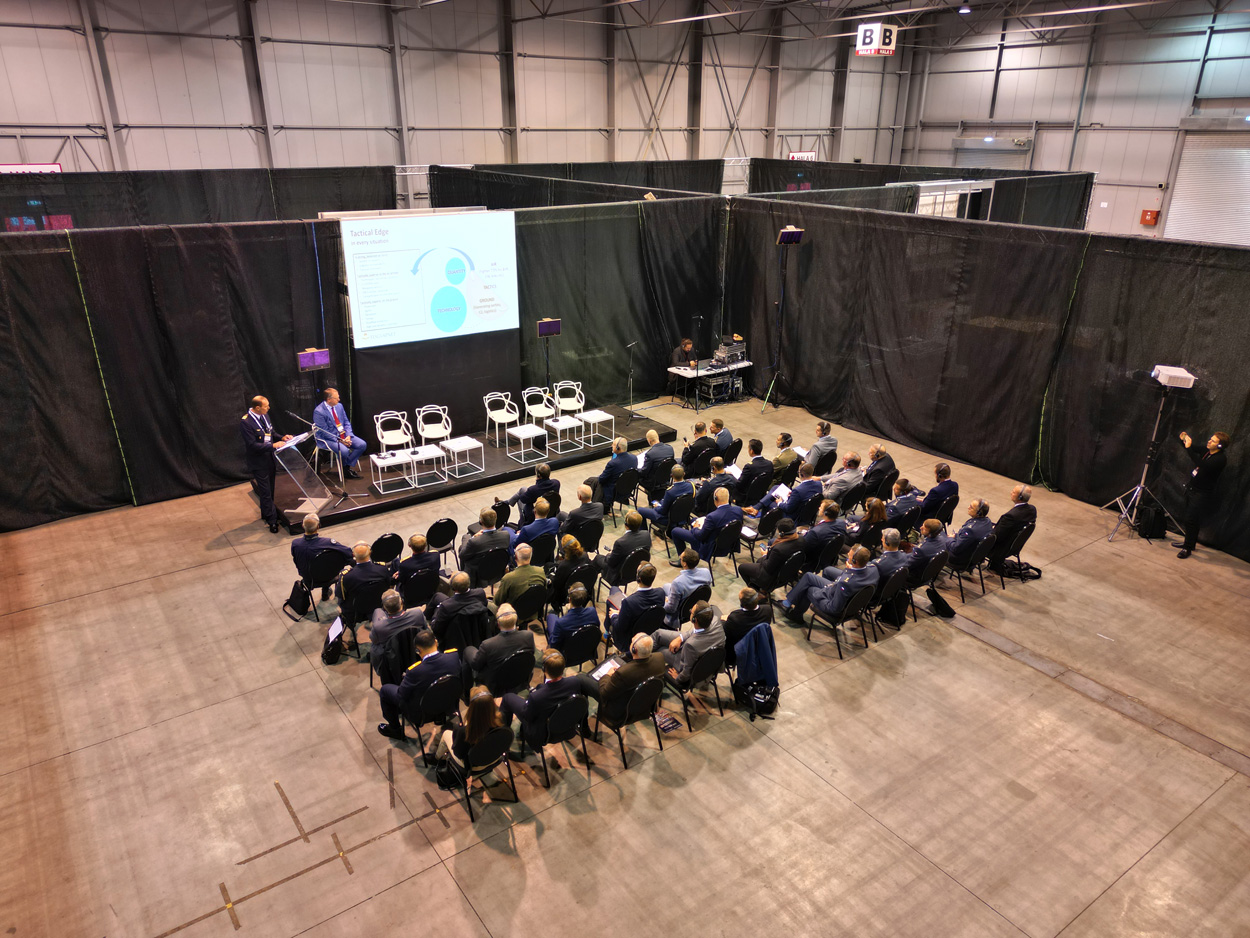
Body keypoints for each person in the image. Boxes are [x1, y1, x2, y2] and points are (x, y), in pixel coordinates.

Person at [500, 650, 599, 751]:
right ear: (563, 667)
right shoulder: (575, 682)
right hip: (568, 727)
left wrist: (528, 702)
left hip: (545, 735)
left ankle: (502, 741)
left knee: (508, 698)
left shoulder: (537, 696)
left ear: (544, 669)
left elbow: (528, 717)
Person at [377, 629, 460, 740]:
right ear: (436, 642)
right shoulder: (453, 657)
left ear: (418, 650)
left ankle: (395, 729)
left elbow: (401, 696)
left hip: (423, 714)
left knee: (385, 690)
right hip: (450, 704)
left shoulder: (414, 672)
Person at [239, 394, 292, 533]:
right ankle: (272, 520)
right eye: (266, 406)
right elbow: (252, 445)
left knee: (270, 489)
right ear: (257, 408)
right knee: (265, 491)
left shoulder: (264, 416)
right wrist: (273, 445)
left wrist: (282, 437)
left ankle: (267, 513)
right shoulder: (246, 422)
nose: (268, 408)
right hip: (258, 461)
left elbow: (271, 433)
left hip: (270, 458)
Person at [782, 546, 879, 622]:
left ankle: (796, 616)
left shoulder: (845, 582)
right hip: (835, 590)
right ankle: (789, 601)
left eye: (849, 555)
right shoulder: (873, 569)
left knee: (809, 589)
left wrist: (820, 594)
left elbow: (835, 607)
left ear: (855, 561)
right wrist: (851, 569)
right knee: (809, 576)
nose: (847, 555)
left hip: (833, 605)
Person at [1174, 430, 1229, 559]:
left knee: (1190, 519)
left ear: (1220, 445)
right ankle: (1189, 544)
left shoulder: (1220, 459)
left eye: (1213, 441)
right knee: (1192, 520)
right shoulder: (1207, 451)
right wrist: (1184, 439)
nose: (1209, 441)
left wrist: (1189, 448)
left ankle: (1187, 548)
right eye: (1210, 439)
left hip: (1201, 493)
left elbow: (1202, 465)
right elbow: (1191, 448)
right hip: (1192, 489)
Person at [596, 633, 666, 725]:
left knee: (582, 680)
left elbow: (604, 694)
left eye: (632, 642)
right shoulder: (660, 658)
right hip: (646, 706)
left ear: (634, 649)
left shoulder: (623, 673)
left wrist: (607, 675)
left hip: (622, 714)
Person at [465, 605, 535, 693]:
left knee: (468, 650)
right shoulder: (528, 636)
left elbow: (476, 665)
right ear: (516, 620)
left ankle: (467, 693)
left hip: (495, 685)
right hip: (520, 677)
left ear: (498, 624)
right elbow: (530, 655)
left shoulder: (488, 645)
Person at [653, 601, 725, 686]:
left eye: (691, 612)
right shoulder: (715, 621)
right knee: (658, 634)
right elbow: (697, 630)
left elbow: (687, 671)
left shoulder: (690, 645)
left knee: (658, 650)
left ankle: (644, 664)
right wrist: (681, 638)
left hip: (683, 660)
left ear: (695, 620)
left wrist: (679, 678)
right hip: (697, 649)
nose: (690, 611)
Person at [433, 685, 503, 768]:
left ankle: (437, 759)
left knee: (446, 733)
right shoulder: (501, 722)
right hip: (494, 760)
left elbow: (458, 754)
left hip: (472, 767)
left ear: (472, 708)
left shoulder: (464, 731)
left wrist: (458, 732)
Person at [671, 487, 743, 563]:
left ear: (715, 499)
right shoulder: (738, 510)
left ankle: (684, 560)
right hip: (728, 544)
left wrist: (695, 528)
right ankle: (693, 553)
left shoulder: (713, 516)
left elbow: (700, 536)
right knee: (694, 520)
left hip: (710, 547)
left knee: (675, 531)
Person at [607, 563, 665, 653]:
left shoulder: (629, 602)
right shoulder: (660, 593)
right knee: (614, 589)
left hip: (628, 640)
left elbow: (619, 628)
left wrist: (614, 615)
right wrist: (622, 613)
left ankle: (607, 633)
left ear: (638, 578)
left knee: (610, 601)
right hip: (649, 630)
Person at [291, 513, 352, 599]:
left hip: (308, 579)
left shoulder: (295, 543)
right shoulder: (327, 542)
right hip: (329, 576)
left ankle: (325, 592)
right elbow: (348, 552)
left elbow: (296, 561)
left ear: (303, 526)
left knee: (319, 564)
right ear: (318, 526)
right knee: (346, 560)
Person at [738, 518, 804, 596]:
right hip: (789, 573)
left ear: (782, 533)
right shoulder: (802, 539)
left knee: (742, 568)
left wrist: (765, 554)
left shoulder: (778, 549)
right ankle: (759, 587)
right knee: (759, 561)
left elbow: (768, 568)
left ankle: (757, 592)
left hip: (773, 578)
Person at [312, 387, 367, 480]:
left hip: (343, 434)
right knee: (344, 451)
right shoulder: (319, 411)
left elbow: (346, 422)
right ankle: (346, 469)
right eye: (336, 398)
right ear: (329, 399)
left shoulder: (339, 406)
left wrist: (348, 435)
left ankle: (346, 467)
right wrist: (340, 441)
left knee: (362, 445)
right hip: (328, 438)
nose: (339, 399)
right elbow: (324, 432)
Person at [426, 571, 491, 645]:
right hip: (477, 630)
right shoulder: (480, 593)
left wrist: (438, 610)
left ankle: (424, 617)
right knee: (438, 596)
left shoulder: (446, 607)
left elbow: (436, 629)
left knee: (437, 604)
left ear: (452, 586)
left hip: (455, 638)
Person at [746, 462, 822, 520]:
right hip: (805, 512)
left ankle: (763, 526)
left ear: (801, 475)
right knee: (776, 488)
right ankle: (756, 507)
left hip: (793, 515)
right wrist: (791, 496)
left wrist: (779, 502)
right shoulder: (819, 484)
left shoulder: (798, 490)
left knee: (769, 503)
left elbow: (788, 509)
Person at [336, 542, 391, 621]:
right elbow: (388, 586)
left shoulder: (346, 576)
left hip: (357, 612)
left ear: (353, 555)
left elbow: (340, 595)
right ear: (370, 552)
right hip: (380, 605)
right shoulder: (382, 569)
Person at [987, 484, 1036, 572]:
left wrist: (990, 529)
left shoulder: (1011, 516)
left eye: (1013, 492)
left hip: (999, 550)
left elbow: (997, 536)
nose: (1011, 493)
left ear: (1020, 497)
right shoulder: (1032, 510)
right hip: (1013, 547)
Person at [458, 507, 510, 588]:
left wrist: (472, 538)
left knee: (463, 544)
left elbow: (462, 556)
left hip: (477, 576)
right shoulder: (505, 535)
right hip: (497, 570)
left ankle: (463, 578)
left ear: (480, 522)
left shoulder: (475, 542)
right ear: (495, 520)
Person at [598, 510, 652, 586]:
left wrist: (609, 555)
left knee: (598, 558)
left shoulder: (620, 543)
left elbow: (611, 563)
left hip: (619, 576)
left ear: (626, 525)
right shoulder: (646, 535)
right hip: (638, 571)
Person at [662, 549, 712, 628]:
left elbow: (671, 609)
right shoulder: (706, 572)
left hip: (681, 612)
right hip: (696, 604)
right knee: (665, 586)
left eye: (681, 558)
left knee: (661, 596)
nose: (679, 559)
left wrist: (662, 602)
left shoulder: (678, 582)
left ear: (684, 564)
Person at [638, 464, 694, 531]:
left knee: (640, 510)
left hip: (668, 519)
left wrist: (657, 507)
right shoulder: (691, 486)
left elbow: (662, 511)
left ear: (671, 476)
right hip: (683, 516)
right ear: (684, 474)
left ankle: (644, 533)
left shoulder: (670, 492)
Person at [724, 588, 771, 666]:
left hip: (738, 654)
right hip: (758, 648)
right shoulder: (767, 610)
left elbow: (726, 636)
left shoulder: (735, 618)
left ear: (742, 604)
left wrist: (727, 621)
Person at [495, 543, 547, 611]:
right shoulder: (541, 571)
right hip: (534, 611)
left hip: (514, 614)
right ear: (531, 556)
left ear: (515, 557)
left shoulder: (508, 578)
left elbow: (497, 601)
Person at [546, 584, 599, 650]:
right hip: (587, 649)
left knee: (551, 616)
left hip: (567, 653)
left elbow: (554, 645)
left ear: (569, 599)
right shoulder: (592, 612)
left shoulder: (561, 622)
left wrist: (568, 612)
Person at [589, 437, 638, 508]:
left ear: (618, 448)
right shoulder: (634, 458)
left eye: (614, 444)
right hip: (628, 489)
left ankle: (595, 506)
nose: (612, 446)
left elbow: (601, 479)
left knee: (591, 481)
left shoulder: (613, 463)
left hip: (614, 492)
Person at [508, 463, 560, 527]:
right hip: (551, 511)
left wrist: (537, 482)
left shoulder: (533, 489)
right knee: (523, 489)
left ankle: (522, 522)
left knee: (519, 497)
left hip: (536, 514)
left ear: (538, 475)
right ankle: (508, 502)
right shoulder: (556, 483)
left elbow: (523, 499)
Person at [948, 498, 994, 566]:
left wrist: (949, 539)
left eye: (971, 507)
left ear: (979, 512)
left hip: (959, 559)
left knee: (937, 542)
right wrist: (956, 536)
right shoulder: (988, 522)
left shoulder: (970, 530)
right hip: (973, 555)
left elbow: (955, 548)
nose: (968, 507)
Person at [547, 535, 587, 608]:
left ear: (565, 550)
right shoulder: (585, 555)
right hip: (580, 585)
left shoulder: (564, 566)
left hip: (564, 595)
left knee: (548, 567)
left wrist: (551, 576)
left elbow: (557, 585)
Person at [907, 520, 950, 586]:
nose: (920, 528)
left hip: (914, 577)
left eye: (924, 528)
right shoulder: (943, 539)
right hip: (928, 574)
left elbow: (907, 564)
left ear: (930, 534)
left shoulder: (922, 549)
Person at [801, 501, 842, 568]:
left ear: (825, 513)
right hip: (828, 556)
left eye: (821, 507)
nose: (819, 508)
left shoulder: (815, 532)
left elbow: (803, 548)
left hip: (811, 560)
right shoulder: (841, 523)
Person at [735, 439, 773, 505]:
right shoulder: (769, 464)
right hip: (761, 494)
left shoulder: (749, 467)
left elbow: (740, 484)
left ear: (751, 451)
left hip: (746, 497)